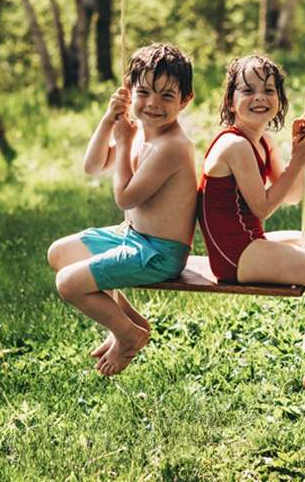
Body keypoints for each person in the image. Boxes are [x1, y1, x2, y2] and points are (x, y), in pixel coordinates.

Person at [198, 55, 305, 401]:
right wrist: (298, 162)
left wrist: (296, 154)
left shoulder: (261, 142)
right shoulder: (234, 145)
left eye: (269, 90)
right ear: (231, 102)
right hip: (237, 258)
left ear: (279, 101)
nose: (259, 97)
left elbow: (292, 196)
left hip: (251, 242)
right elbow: (262, 207)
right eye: (248, 90)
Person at [47, 43, 196, 377]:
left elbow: (125, 198)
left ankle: (127, 336)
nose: (153, 104)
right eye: (143, 92)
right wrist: (108, 120)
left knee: (69, 283)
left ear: (185, 100)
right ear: (130, 93)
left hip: (158, 253)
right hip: (131, 238)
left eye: (167, 96)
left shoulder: (172, 146)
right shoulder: (144, 133)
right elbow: (92, 165)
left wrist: (126, 142)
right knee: (60, 253)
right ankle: (129, 321)